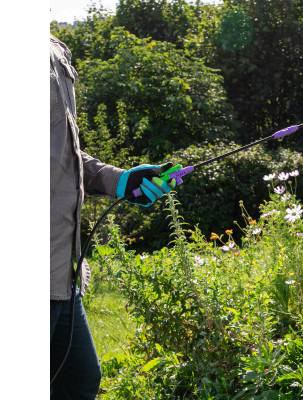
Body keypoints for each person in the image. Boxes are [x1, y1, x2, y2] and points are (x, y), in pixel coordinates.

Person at [50, 34, 176, 399]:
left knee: (79, 382)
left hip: (61, 272)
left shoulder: (53, 48)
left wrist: (119, 180)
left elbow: (62, 152)